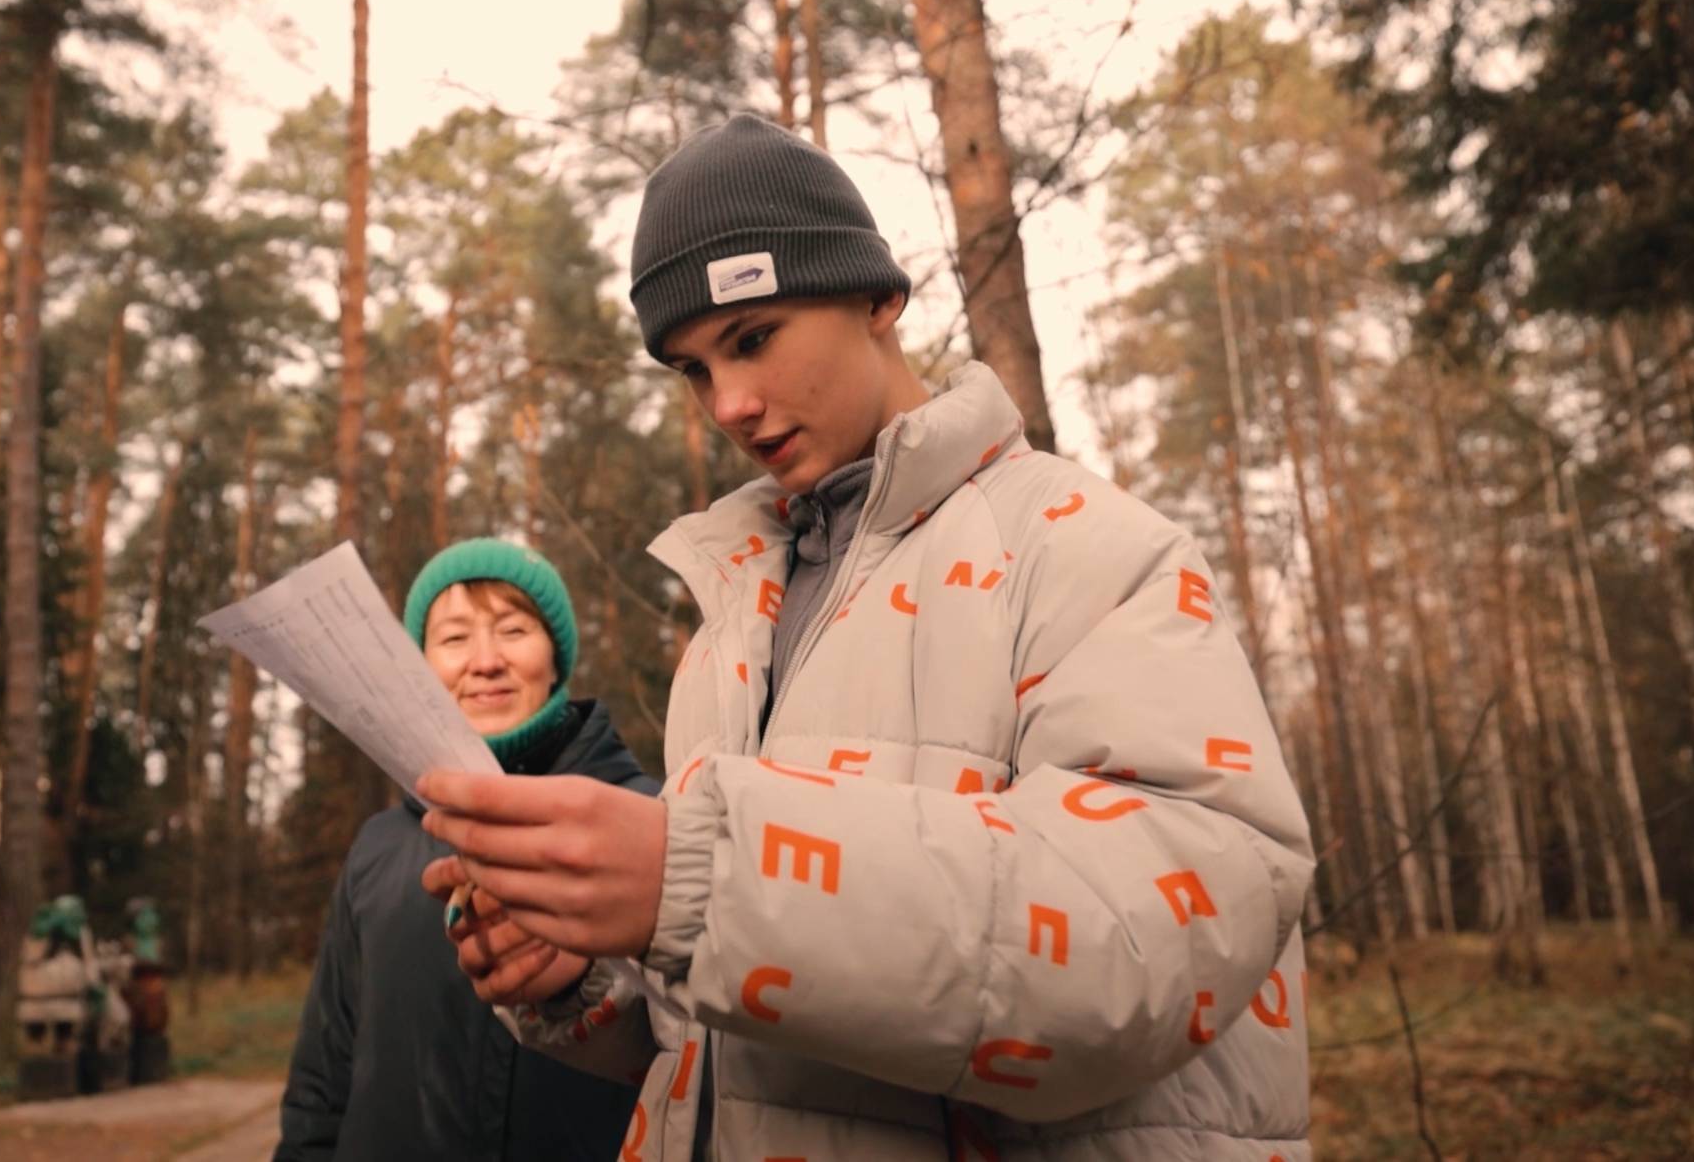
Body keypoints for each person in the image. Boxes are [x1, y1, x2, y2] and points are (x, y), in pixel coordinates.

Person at [417, 115, 1316, 1160]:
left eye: (753, 338)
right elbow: (741, 1044)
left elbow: (1161, 938)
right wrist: (589, 977)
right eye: (694, 370)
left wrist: (699, 880)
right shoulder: (734, 620)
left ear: (878, 298)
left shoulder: (1086, 547)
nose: (730, 405)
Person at [277, 539, 658, 1161]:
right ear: (422, 668)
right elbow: (323, 1076)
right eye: (454, 638)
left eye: (513, 630)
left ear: (556, 658)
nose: (485, 662)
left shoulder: (654, 824)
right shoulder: (377, 850)